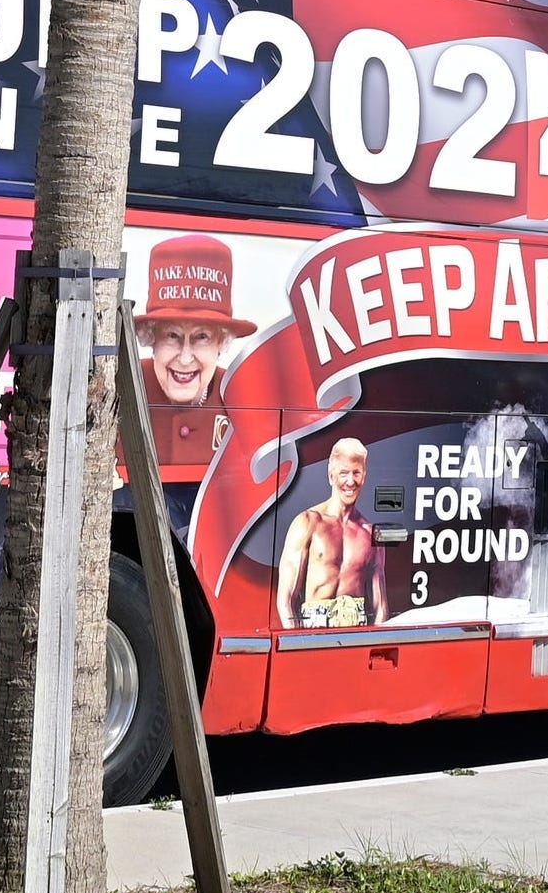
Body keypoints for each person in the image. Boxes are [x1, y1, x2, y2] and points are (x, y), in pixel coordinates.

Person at [131, 233, 256, 464]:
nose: (186, 358)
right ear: (152, 339)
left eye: (201, 337)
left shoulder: (243, 399)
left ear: (221, 343)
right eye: (171, 335)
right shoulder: (120, 388)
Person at [278, 437, 389, 628]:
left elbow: (380, 608)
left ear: (364, 476)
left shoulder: (371, 534)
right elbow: (286, 598)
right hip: (312, 634)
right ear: (331, 475)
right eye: (343, 473)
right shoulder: (308, 522)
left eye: (356, 473)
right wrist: (297, 647)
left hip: (356, 636)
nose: (350, 481)